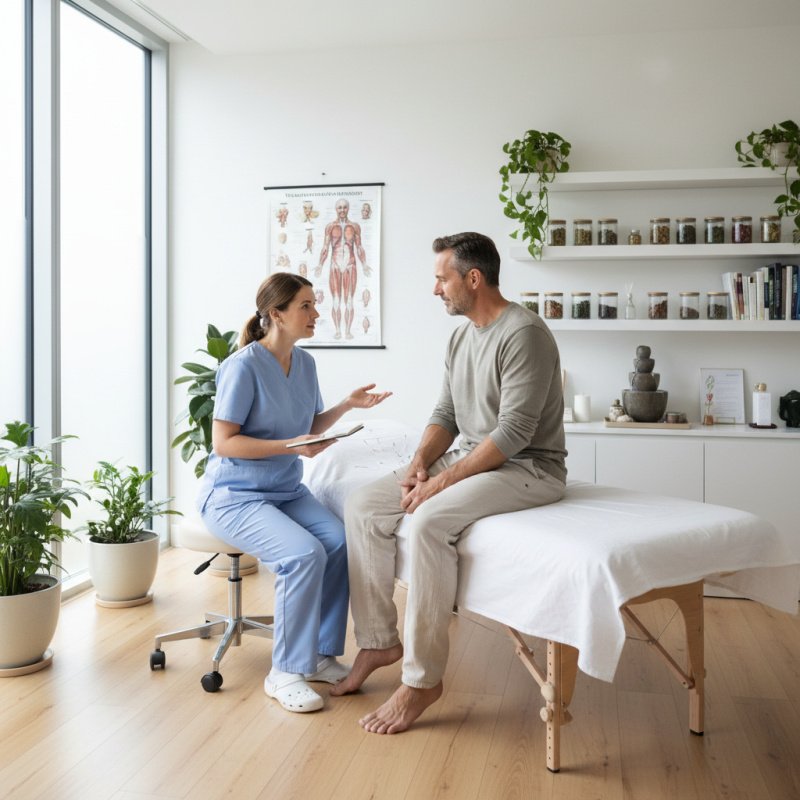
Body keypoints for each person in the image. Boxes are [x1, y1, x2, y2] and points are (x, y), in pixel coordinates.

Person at [330, 232, 567, 733]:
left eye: (442, 278)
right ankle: (378, 641)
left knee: (429, 521)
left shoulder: (524, 333)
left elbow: (515, 433)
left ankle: (421, 681)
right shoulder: (461, 336)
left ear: (473, 278)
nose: (436, 289)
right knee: (365, 506)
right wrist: (419, 462)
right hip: (470, 456)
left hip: (528, 467)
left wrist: (436, 488)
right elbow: (445, 414)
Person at [198, 272, 391, 714]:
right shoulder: (243, 367)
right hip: (235, 495)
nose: (316, 313)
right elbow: (224, 443)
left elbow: (307, 427)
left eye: (314, 304)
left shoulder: (304, 365)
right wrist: (293, 447)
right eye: (306, 305)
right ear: (276, 314)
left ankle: (320, 656)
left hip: (284, 489)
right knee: (303, 554)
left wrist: (345, 407)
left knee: (341, 542)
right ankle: (284, 671)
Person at [314, 198, 371, 340]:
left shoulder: (355, 226)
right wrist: (320, 264)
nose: (342, 210)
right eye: (339, 207)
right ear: (336, 209)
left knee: (349, 301)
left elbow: (359, 247)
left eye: (344, 207)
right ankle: (338, 330)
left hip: (350, 266)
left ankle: (348, 331)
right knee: (336, 301)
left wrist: (364, 264)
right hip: (335, 265)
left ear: (348, 209)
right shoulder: (330, 227)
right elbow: (325, 247)